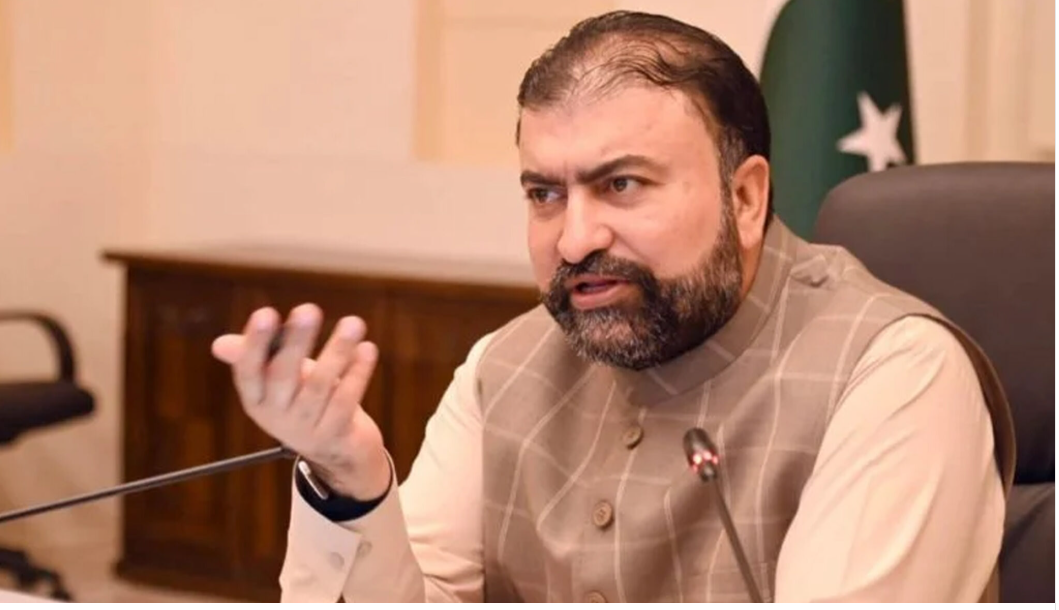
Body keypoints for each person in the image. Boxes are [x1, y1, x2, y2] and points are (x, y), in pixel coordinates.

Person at [210, 10, 1014, 603]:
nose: (573, 239)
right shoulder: (506, 367)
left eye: (621, 185)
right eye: (543, 194)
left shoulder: (893, 373)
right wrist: (350, 478)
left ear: (744, 197)